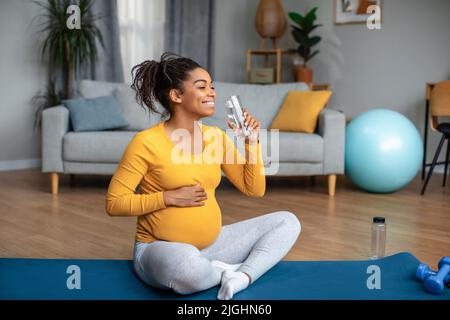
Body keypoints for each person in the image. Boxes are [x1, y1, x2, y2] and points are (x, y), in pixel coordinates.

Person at [105, 52, 301, 300]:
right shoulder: (146, 142)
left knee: (288, 222)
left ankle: (240, 276)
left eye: (212, 86)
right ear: (176, 95)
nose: (212, 93)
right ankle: (223, 270)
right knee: (185, 268)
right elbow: (114, 203)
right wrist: (168, 198)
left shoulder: (215, 137)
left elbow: (254, 189)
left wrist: (252, 143)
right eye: (202, 87)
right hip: (159, 249)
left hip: (212, 245)